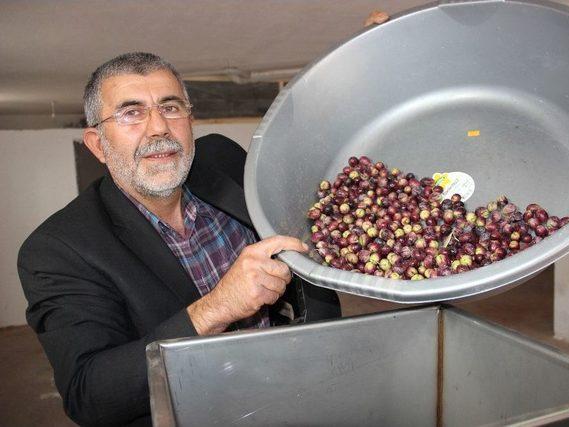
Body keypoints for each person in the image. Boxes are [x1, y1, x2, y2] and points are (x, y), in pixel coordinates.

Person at [17, 52, 340, 426]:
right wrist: (217, 308)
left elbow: (295, 248)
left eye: (170, 107)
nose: (158, 128)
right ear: (98, 145)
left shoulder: (221, 158)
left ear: (190, 119)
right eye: (131, 112)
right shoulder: (58, 248)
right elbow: (88, 393)